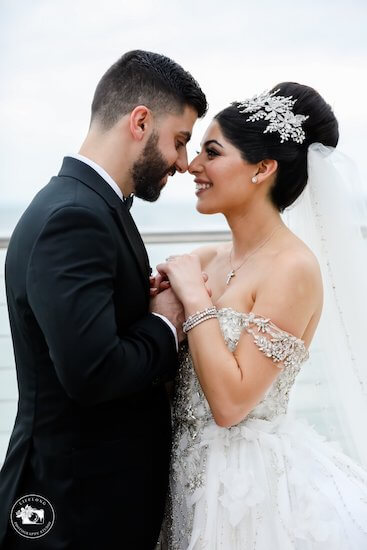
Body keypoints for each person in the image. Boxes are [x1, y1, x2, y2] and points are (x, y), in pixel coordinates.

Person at [0, 50, 207, 549]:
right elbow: (92, 373)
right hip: (73, 510)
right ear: (140, 121)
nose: (183, 162)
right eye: (179, 141)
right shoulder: (76, 216)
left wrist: (141, 306)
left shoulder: (87, 203)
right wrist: (166, 324)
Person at [156, 83, 367, 549]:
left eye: (211, 152)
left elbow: (230, 406)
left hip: (242, 495)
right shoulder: (207, 260)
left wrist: (195, 300)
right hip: (178, 476)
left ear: (263, 169)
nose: (192, 166)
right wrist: (160, 311)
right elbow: (175, 385)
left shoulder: (293, 268)